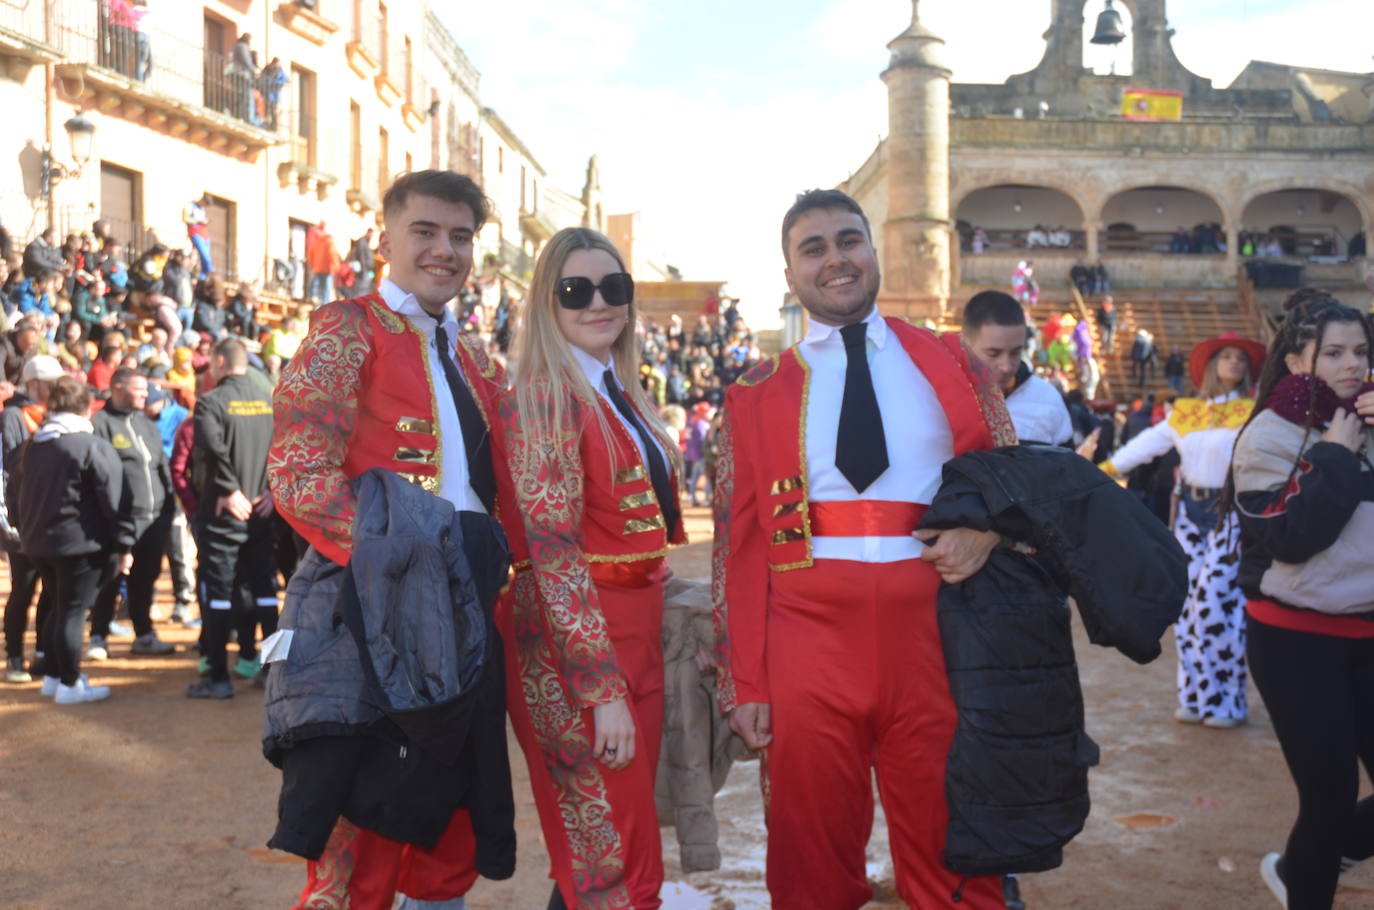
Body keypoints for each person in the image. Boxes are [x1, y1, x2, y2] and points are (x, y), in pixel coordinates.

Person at [713, 189, 1016, 909]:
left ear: (872, 251)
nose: (835, 259)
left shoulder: (953, 362)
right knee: (810, 864)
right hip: (806, 649)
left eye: (848, 240)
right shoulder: (754, 393)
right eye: (812, 248)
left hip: (938, 640)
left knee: (957, 853)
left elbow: (1018, 484)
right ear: (789, 274)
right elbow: (741, 548)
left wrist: (991, 530)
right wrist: (746, 684)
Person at [268, 169, 514, 910]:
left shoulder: (473, 356)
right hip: (375, 607)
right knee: (364, 836)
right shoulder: (348, 327)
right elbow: (300, 468)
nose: (445, 250)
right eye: (426, 232)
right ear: (386, 241)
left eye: (461, 236)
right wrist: (398, 570)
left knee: (451, 826)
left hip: (469, 606)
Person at [491, 226, 685, 910]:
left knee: (609, 846)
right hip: (578, 646)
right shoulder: (547, 394)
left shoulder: (615, 389)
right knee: (612, 854)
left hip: (630, 630)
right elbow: (551, 549)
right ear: (548, 303)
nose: (599, 303)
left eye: (614, 288)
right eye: (576, 290)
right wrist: (600, 688)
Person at [1223, 291, 1374, 910]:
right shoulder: (1266, 434)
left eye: (1361, 351)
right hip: (1295, 640)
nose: (1351, 365)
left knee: (1332, 816)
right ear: (1295, 361)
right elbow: (1290, 537)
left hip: (1367, 632)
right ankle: (1305, 879)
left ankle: (1315, 855)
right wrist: (1336, 455)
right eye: (1333, 352)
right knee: (1329, 798)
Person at [1098, 332, 1265, 727]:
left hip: (1231, 515)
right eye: (1226, 356)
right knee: (1189, 609)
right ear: (1210, 366)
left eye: (1240, 358)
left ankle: (1227, 703)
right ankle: (1194, 696)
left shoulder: (1254, 411)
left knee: (1218, 605)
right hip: (1189, 514)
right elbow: (1141, 448)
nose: (1235, 363)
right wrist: (1098, 471)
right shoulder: (1186, 413)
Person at [11, 377, 132, 703]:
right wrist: (124, 544)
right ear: (87, 407)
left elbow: (18, 493)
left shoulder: (36, 444)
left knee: (59, 608)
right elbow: (114, 499)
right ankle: (68, 683)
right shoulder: (91, 445)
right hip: (80, 544)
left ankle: (54, 676)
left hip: (39, 542)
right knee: (72, 612)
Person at [187, 337, 275, 698]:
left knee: (219, 594)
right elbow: (283, 446)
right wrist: (271, 489)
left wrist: (228, 489)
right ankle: (271, 673)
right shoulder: (268, 400)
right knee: (266, 591)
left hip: (226, 511)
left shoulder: (211, 402)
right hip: (262, 509)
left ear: (221, 361)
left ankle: (219, 678)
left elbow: (211, 449)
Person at [88, 368, 176, 659]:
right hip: (116, 521)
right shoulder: (100, 423)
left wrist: (169, 507)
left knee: (145, 579)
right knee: (109, 579)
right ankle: (98, 636)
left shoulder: (146, 423)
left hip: (154, 519)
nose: (145, 395)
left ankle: (144, 634)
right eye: (138, 389)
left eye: (145, 390)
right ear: (117, 388)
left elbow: (162, 464)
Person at [2, 355, 62, 683]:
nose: (55, 388)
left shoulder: (52, 413)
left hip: (50, 517)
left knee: (51, 590)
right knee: (23, 589)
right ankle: (13, 656)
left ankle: (42, 652)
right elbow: (14, 467)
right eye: (49, 383)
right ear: (34, 383)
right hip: (22, 518)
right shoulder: (14, 414)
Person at [962, 290, 1071, 446]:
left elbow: (1065, 467)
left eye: (1015, 353)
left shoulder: (1048, 400)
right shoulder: (938, 397)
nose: (1006, 367)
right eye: (993, 353)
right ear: (965, 345)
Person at [306, 220, 340, 307]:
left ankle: (314, 301)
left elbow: (310, 254)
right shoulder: (330, 242)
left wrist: (313, 265)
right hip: (328, 269)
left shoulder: (316, 242)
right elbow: (332, 255)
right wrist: (336, 268)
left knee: (316, 286)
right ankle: (324, 306)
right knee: (326, 289)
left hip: (317, 268)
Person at [183, 195, 214, 280]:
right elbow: (185, 218)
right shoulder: (190, 205)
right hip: (194, 232)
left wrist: (205, 221)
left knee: (206, 256)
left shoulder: (202, 209)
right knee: (205, 256)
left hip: (204, 233)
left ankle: (203, 276)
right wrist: (199, 221)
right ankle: (209, 272)